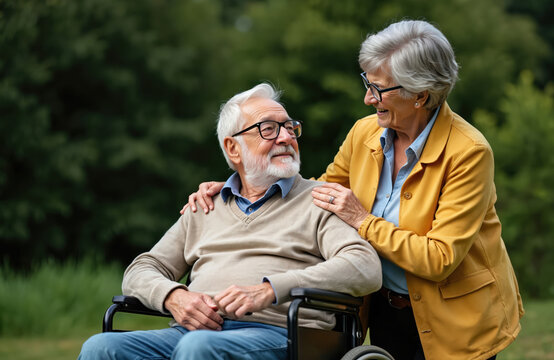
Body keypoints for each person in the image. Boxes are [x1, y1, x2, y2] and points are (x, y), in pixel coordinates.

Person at [182, 20, 524, 360]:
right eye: (367, 83)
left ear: (420, 95)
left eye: (378, 89)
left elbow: (438, 259)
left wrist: (362, 220)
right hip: (382, 309)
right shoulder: (364, 133)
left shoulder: (469, 153)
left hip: (457, 319)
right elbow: (315, 193)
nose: (366, 98)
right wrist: (244, 183)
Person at [78, 83, 382, 360]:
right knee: (100, 348)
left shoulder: (319, 199)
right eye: (268, 129)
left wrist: (270, 289)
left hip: (284, 336)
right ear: (233, 148)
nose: (287, 137)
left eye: (290, 128)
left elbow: (364, 266)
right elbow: (141, 269)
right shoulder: (205, 205)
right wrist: (174, 297)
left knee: (198, 348)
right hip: (192, 332)